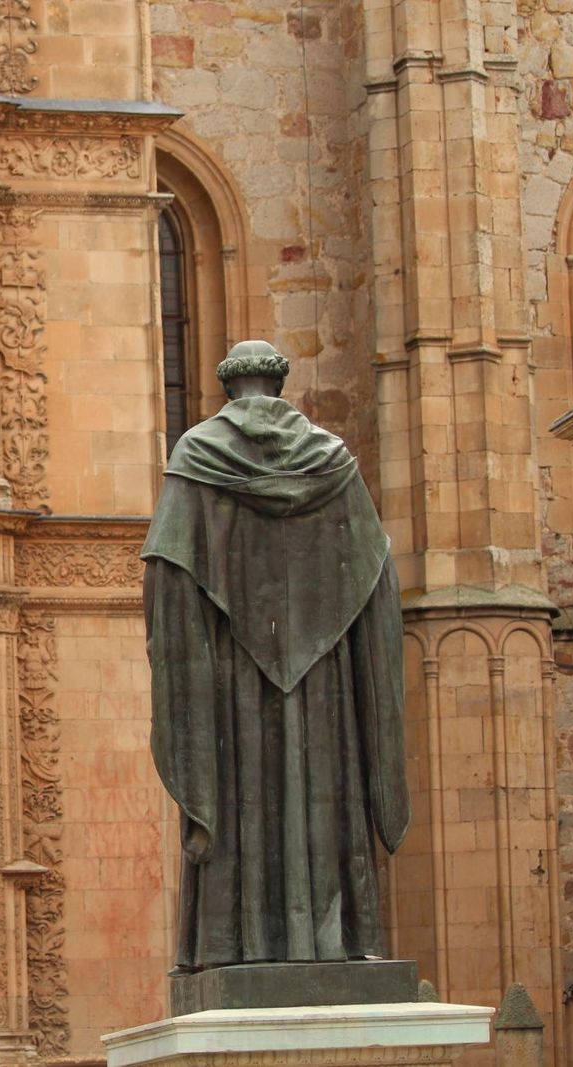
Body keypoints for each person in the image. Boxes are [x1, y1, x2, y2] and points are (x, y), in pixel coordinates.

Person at [142, 340, 410, 973]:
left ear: (229, 389)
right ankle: (335, 939)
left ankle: (230, 945)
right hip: (325, 680)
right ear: (279, 386)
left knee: (243, 792)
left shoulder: (196, 455)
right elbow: (375, 572)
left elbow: (167, 576)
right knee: (322, 790)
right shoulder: (334, 462)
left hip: (233, 678)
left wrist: (185, 660)